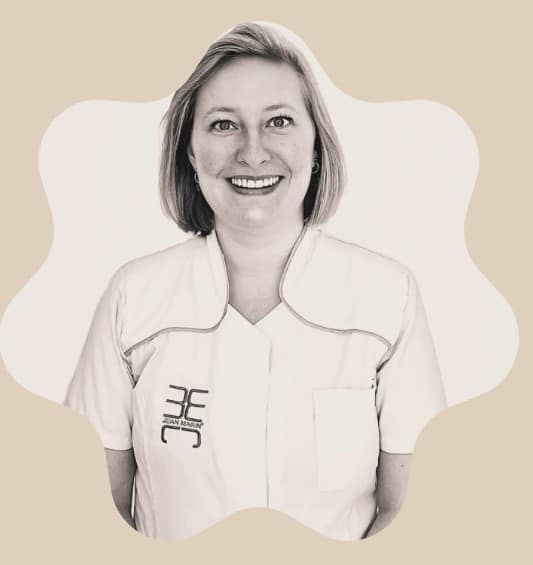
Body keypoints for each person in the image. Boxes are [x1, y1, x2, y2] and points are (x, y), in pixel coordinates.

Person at [65, 22, 446, 541]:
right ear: (190, 151)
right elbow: (89, 509)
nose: (252, 152)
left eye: (279, 121)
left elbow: (411, 513)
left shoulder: (386, 298)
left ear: (316, 145)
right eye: (224, 125)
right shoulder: (134, 298)